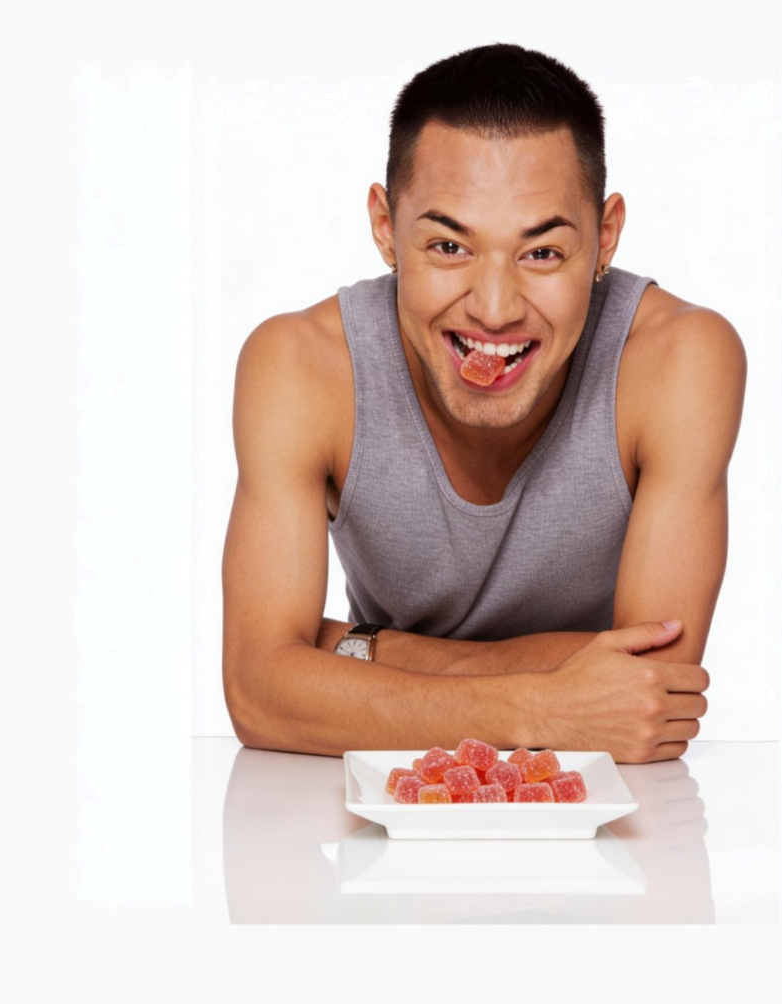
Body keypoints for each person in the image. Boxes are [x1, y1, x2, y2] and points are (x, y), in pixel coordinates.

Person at [221, 44, 746, 763]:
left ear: (605, 238)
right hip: (382, 803)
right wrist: (542, 707)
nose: (494, 310)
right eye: (448, 247)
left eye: (540, 254)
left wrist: (353, 650)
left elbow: (651, 691)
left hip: (596, 823)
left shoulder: (681, 358)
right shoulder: (301, 365)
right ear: (385, 227)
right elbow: (258, 692)